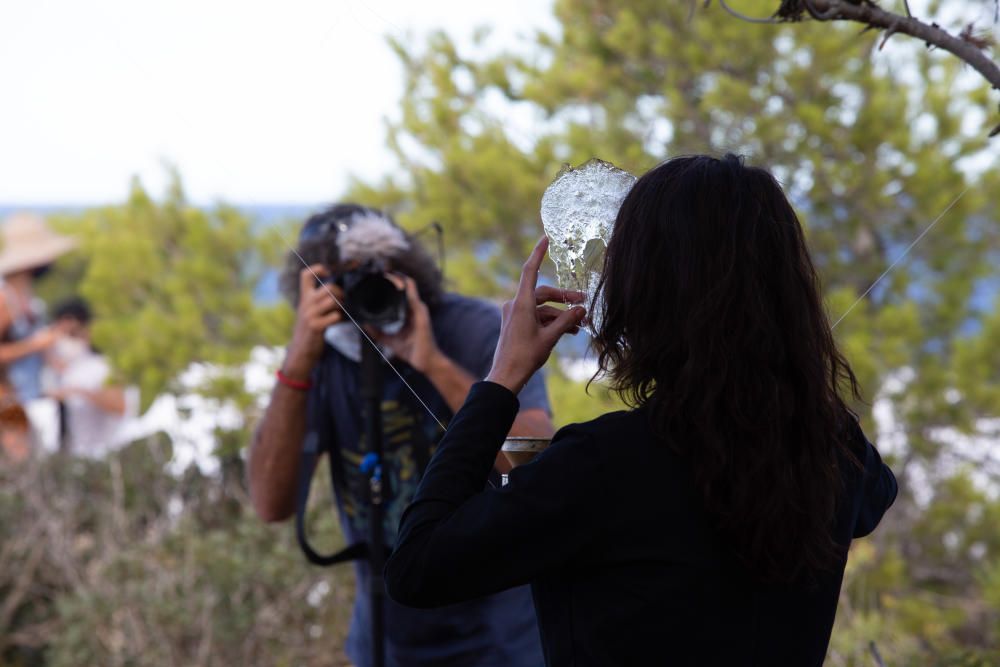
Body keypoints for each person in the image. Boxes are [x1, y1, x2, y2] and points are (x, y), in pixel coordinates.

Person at [385, 155, 898, 666]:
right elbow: (876, 496)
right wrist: (790, 356)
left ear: (643, 289)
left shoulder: (603, 465)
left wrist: (501, 380)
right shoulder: (832, 449)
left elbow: (417, 568)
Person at [248, 204, 554, 667]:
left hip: (503, 641)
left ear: (410, 273)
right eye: (346, 284)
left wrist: (431, 361)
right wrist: (298, 361)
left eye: (383, 276)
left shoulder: (472, 329)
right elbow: (271, 503)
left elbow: (535, 462)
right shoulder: (320, 355)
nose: (368, 294)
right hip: (388, 643)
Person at [44, 297, 139, 457]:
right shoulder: (69, 368)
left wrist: (78, 392)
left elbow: (119, 406)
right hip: (75, 456)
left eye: (70, 333)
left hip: (106, 455)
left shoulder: (104, 365)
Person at [0, 213, 76, 403]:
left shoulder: (25, 296)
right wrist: (35, 345)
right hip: (9, 403)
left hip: (27, 397)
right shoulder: (4, 299)